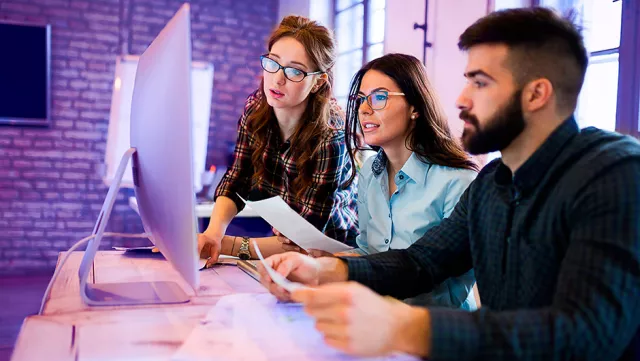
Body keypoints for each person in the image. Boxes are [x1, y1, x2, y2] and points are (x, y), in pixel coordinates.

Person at [258, 7, 640, 360]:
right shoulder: (492, 183)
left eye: (480, 83)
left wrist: (407, 326)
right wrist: (324, 270)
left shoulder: (614, 173)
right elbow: (422, 261)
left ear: (536, 93)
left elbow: (588, 332)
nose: (461, 99)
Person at [198, 15, 358, 264]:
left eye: (295, 71)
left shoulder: (330, 136)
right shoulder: (256, 108)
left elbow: (305, 239)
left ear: (318, 82)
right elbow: (237, 177)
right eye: (273, 63)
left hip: (334, 252)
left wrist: (226, 243)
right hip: (284, 240)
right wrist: (213, 232)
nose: (278, 79)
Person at [344, 53, 478, 310]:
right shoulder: (369, 173)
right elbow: (367, 252)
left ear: (415, 107)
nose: (363, 109)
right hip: (379, 318)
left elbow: (430, 272)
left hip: (438, 332)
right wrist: (322, 261)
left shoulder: (458, 181)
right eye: (361, 99)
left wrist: (336, 270)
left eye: (379, 97)